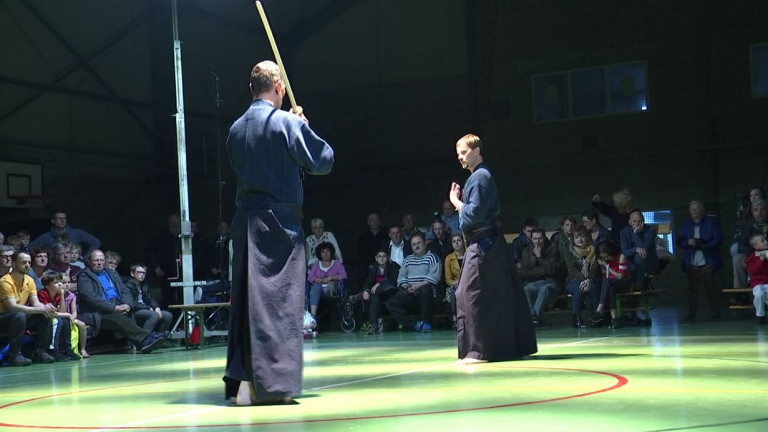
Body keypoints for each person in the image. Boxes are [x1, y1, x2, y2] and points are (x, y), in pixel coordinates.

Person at [223, 60, 334, 406]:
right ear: (279, 87)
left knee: (246, 300)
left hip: (245, 221)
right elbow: (323, 160)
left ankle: (243, 379)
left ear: (251, 88)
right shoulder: (286, 123)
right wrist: (304, 127)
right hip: (279, 223)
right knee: (278, 303)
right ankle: (271, 384)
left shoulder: (235, 129)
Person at [448, 134, 537, 363]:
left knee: (469, 294)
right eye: (458, 154)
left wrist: (456, 202)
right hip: (486, 243)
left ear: (477, 151)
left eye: (465, 152)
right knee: (491, 295)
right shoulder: (479, 177)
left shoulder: (480, 178)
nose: (461, 157)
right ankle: (494, 349)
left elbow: (474, 214)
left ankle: (478, 351)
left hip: (483, 244)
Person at [77, 250, 166, 355]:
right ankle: (148, 338)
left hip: (117, 305)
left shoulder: (111, 273)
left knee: (128, 314)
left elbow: (124, 290)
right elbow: (91, 297)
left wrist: (128, 304)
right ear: (89, 261)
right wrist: (113, 308)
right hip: (97, 311)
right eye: (96, 260)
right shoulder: (84, 276)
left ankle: (144, 342)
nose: (99, 263)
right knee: (118, 317)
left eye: (101, 260)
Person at [0, 251, 57, 366]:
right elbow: (12, 307)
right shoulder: (5, 281)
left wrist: (45, 307)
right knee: (19, 315)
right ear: (14, 264)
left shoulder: (29, 280)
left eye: (29, 263)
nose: (27, 265)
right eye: (23, 262)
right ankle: (14, 355)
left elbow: (35, 302)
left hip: (18, 318)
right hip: (4, 319)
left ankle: (40, 352)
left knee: (44, 315)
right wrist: (38, 309)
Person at [676, 201, 722, 321]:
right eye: (691, 209)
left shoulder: (710, 222)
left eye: (696, 209)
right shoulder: (686, 224)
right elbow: (680, 240)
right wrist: (688, 242)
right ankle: (691, 312)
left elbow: (718, 239)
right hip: (692, 260)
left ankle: (715, 312)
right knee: (692, 288)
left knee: (711, 287)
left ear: (702, 210)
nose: (694, 211)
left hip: (708, 259)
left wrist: (705, 245)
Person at [387, 232, 441, 332]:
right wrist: (408, 288)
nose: (417, 246)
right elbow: (401, 278)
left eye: (419, 243)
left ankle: (426, 323)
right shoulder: (407, 260)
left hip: (427, 293)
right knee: (391, 303)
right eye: (414, 244)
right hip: (410, 292)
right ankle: (415, 324)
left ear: (425, 243)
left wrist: (418, 286)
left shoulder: (432, 257)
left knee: (425, 290)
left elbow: (434, 278)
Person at [38, 270, 89, 358]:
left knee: (64, 320)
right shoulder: (42, 294)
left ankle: (68, 349)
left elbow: (62, 312)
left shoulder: (58, 295)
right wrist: (68, 315)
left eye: (60, 282)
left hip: (53, 317)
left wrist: (62, 296)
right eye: (56, 282)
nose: (60, 284)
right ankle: (54, 350)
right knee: (59, 321)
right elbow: (48, 313)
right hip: (41, 318)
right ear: (48, 286)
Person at [353, 247, 400, 334]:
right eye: (379, 256)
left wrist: (378, 284)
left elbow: (393, 282)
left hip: (391, 292)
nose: (381, 258)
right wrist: (366, 290)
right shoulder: (375, 268)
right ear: (376, 258)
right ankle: (374, 326)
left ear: (388, 257)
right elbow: (368, 282)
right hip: (378, 293)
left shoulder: (394, 266)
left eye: (384, 256)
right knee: (374, 296)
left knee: (375, 293)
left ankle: (359, 295)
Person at [520, 228, 562, 324]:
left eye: (540, 238)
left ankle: (534, 317)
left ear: (544, 238)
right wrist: (543, 270)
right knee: (526, 289)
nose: (537, 241)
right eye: (535, 239)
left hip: (550, 282)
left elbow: (553, 270)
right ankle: (532, 317)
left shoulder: (553, 250)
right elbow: (525, 273)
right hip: (532, 282)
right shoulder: (526, 251)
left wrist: (540, 257)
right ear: (531, 239)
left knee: (545, 289)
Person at [563, 225, 601, 328]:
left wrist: (589, 280)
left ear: (587, 237)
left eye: (582, 236)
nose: (580, 239)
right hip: (573, 280)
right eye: (577, 237)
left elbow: (595, 266)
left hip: (590, 280)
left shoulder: (594, 249)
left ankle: (597, 316)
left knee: (593, 287)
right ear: (573, 239)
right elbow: (572, 269)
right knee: (580, 288)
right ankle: (576, 318)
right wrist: (585, 280)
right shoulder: (568, 251)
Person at [124, 264, 173, 335]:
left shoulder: (144, 285)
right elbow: (132, 303)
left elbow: (150, 299)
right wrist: (148, 307)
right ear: (132, 273)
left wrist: (156, 307)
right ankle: (143, 339)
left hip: (146, 309)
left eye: (143, 273)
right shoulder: (127, 286)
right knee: (154, 315)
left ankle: (158, 337)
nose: (142, 275)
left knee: (168, 315)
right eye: (139, 272)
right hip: (135, 311)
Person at [592, 241, 631, 329]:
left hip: (624, 283)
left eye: (606, 256)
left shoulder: (621, 257)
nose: (605, 259)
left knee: (608, 281)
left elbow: (620, 276)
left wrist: (607, 267)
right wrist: (603, 268)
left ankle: (599, 309)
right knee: (610, 287)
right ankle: (614, 319)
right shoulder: (606, 262)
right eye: (603, 257)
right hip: (612, 284)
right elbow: (606, 277)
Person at [28, 210, 101, 255]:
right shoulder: (46, 237)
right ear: (53, 221)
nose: (62, 221)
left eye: (64, 218)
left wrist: (87, 257)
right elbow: (31, 247)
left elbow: (96, 242)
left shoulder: (76, 233)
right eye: (59, 218)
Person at [306, 242, 347, 320]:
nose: (325, 253)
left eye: (327, 251)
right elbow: (310, 278)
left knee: (331, 286)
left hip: (334, 290)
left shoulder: (337, 264)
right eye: (323, 252)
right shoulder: (316, 265)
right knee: (315, 289)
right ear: (320, 254)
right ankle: (313, 317)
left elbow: (344, 275)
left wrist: (331, 278)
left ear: (331, 252)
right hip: (320, 290)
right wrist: (320, 280)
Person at [444, 233, 466, 327]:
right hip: (456, 284)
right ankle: (455, 318)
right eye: (454, 241)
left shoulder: (469, 254)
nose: (456, 243)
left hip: (469, 282)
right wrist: (458, 282)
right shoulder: (449, 258)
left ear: (463, 242)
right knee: (454, 291)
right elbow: (448, 280)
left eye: (459, 240)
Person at [745, 234, 768, 325]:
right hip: (757, 282)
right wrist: (761, 260)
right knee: (759, 294)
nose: (766, 241)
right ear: (756, 246)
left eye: (765, 240)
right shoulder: (752, 257)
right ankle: (760, 315)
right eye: (762, 241)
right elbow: (753, 271)